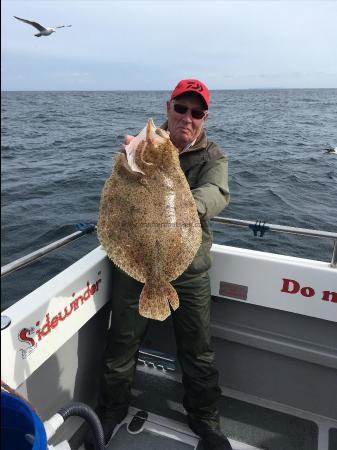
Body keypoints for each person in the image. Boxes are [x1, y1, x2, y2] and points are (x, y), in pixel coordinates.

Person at [85, 79, 231, 450]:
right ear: (168, 108)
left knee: (199, 350)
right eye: (181, 108)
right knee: (121, 343)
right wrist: (127, 162)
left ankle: (206, 422)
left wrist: (182, 204)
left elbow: (217, 193)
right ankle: (111, 409)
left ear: (204, 118)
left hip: (190, 267)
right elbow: (116, 197)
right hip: (138, 263)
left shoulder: (212, 155)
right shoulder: (142, 147)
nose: (187, 117)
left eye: (196, 112)